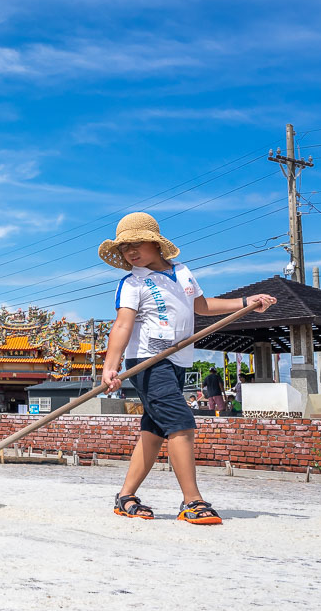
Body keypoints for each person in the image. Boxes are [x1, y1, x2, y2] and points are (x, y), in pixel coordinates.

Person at [98, 213, 276, 525]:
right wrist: (109, 368)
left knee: (154, 430)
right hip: (147, 363)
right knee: (181, 422)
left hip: (177, 361)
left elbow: (202, 307)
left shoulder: (182, 273)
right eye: (125, 247)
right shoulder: (132, 283)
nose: (131, 252)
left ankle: (126, 497)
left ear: (155, 243)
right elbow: (123, 325)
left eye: (136, 243)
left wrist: (246, 301)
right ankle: (193, 500)